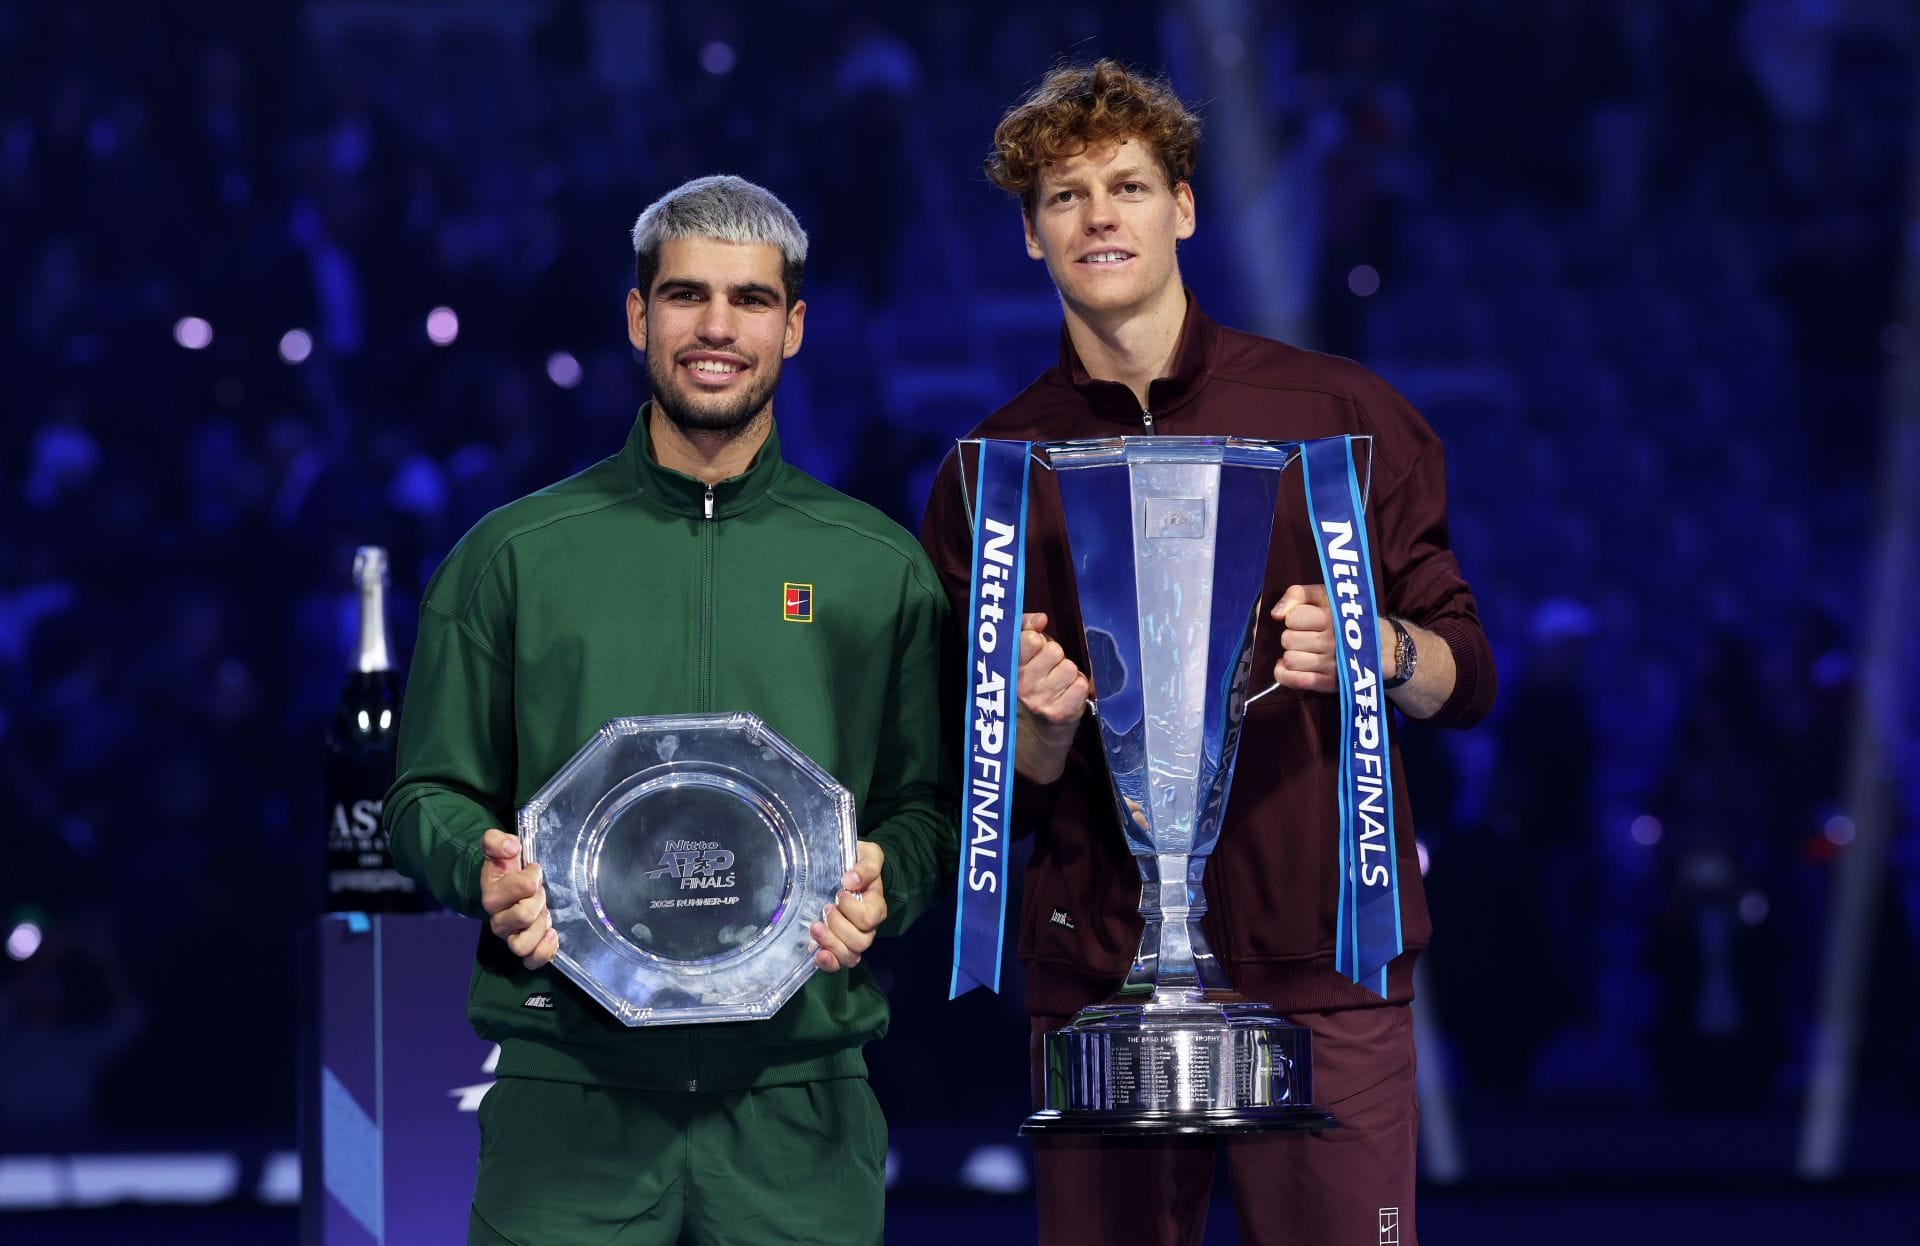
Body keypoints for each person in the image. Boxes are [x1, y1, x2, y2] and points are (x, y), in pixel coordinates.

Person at [919, 62, 1496, 1246]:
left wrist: (1377, 648)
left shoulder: (1340, 418)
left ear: (1184, 207)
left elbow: (1467, 673)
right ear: (1031, 236)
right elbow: (975, 792)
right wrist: (1029, 736)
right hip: (1100, 981)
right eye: (1065, 196)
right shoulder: (992, 474)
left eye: (1127, 185)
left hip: (1323, 963)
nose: (1099, 216)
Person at [388, 174, 956, 1246]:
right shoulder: (512, 557)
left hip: (802, 1106)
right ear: (639, 315)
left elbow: (926, 806)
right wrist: (485, 869)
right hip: (569, 1103)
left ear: (792, 326)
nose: (716, 327)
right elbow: (427, 792)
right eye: (687, 295)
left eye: (748, 301)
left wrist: (894, 881)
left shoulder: (878, 566)